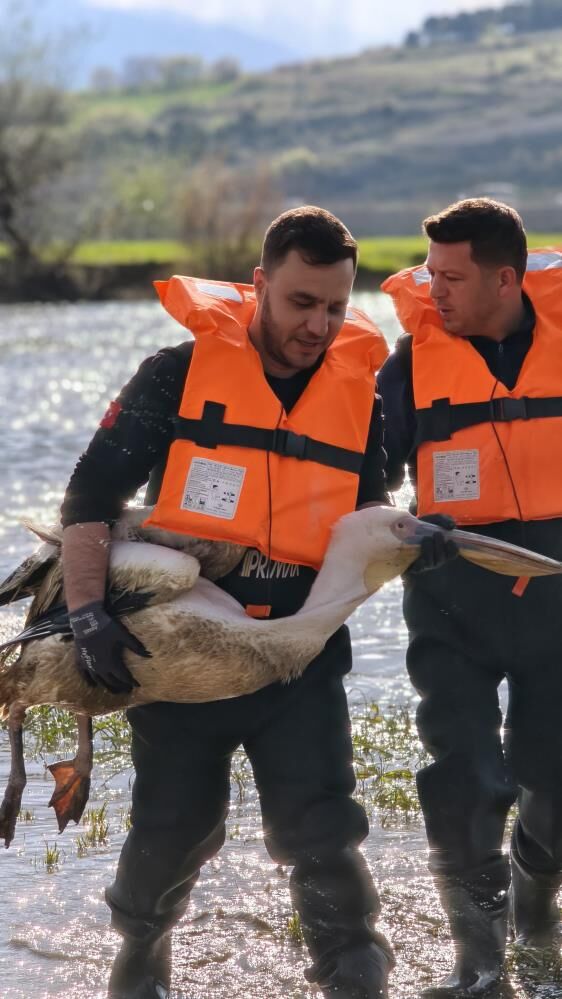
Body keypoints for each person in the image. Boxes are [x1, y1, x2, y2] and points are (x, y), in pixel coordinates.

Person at [60, 206, 397, 999]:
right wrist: (86, 616)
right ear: (258, 286)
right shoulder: (173, 375)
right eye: (300, 302)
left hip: (296, 665)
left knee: (321, 830)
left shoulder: (363, 400)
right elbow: (90, 494)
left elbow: (368, 526)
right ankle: (139, 956)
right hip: (180, 663)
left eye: (336, 307)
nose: (318, 324)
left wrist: (421, 542)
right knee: (176, 829)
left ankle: (356, 973)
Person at [378, 197, 562, 997]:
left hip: (558, 604)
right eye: (430, 275)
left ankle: (534, 908)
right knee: (461, 770)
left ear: (506, 278)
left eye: (452, 277)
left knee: (554, 783)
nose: (436, 291)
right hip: (451, 601)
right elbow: (356, 479)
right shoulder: (408, 363)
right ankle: (478, 963)